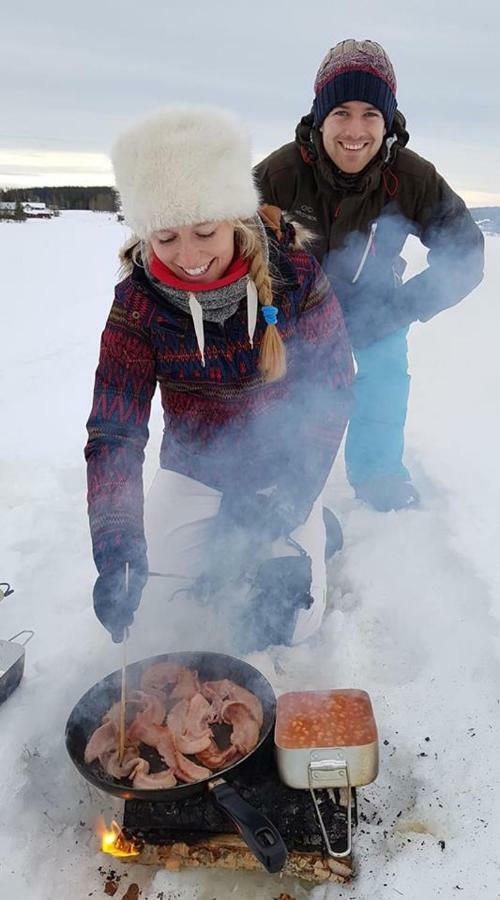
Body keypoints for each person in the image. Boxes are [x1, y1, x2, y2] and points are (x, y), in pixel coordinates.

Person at [85, 106, 353, 651]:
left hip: (284, 472)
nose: (188, 257)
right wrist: (116, 548)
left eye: (205, 230)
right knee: (157, 613)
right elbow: (115, 431)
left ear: (232, 215)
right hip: (195, 470)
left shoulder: (295, 274)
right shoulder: (138, 303)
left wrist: (292, 496)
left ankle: (314, 525)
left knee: (288, 627)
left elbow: (333, 388)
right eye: (165, 238)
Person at [255, 39, 484, 512]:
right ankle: (275, 472)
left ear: (388, 120)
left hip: (375, 308)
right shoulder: (280, 174)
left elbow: (465, 253)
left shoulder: (411, 177)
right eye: (341, 112)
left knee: (382, 378)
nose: (354, 130)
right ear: (320, 116)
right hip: (295, 314)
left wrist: (398, 310)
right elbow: (229, 245)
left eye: (370, 114)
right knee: (283, 388)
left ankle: (379, 473)